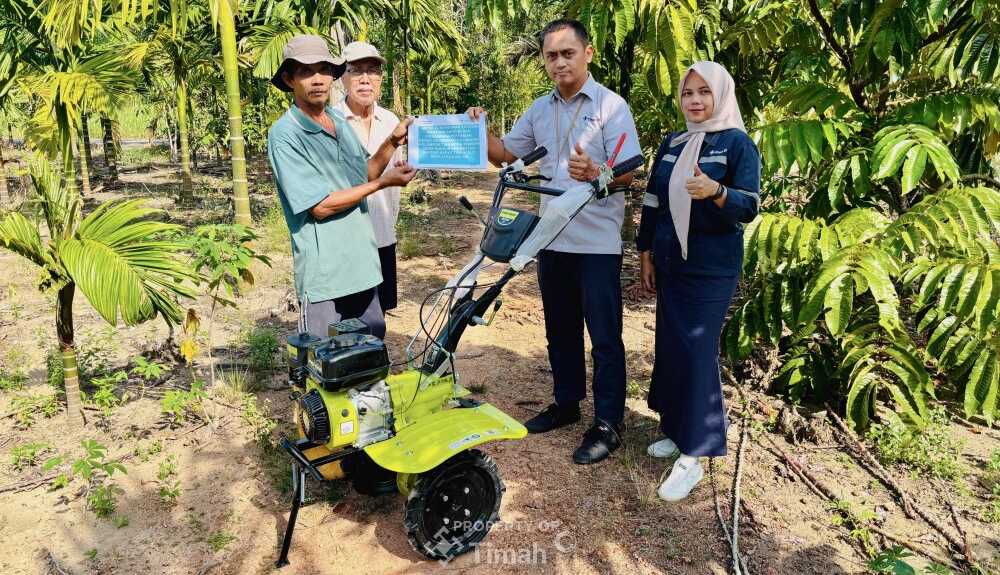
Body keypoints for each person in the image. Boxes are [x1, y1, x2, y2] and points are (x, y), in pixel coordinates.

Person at [467, 18, 641, 465]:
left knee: (604, 337)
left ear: (588, 53)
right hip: (552, 239)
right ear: (544, 61)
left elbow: (630, 168)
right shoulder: (540, 109)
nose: (559, 62)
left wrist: (598, 173)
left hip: (597, 243)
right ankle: (566, 404)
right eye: (551, 55)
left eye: (568, 53)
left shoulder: (610, 106)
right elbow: (506, 154)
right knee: (559, 329)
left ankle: (608, 423)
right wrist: (479, 130)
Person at [635, 61, 761, 501]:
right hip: (670, 262)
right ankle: (674, 427)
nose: (695, 101)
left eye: (704, 92)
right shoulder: (674, 142)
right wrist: (645, 251)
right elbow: (653, 198)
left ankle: (696, 452)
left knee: (698, 349)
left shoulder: (737, 144)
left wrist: (718, 192)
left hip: (711, 269)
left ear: (720, 95)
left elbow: (750, 205)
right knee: (671, 346)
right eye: (688, 93)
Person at [267, 35, 416, 339]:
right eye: (306, 72)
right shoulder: (285, 134)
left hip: (363, 265)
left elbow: (363, 173)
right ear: (289, 78)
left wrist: (392, 141)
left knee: (369, 360)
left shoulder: (336, 120)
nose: (318, 79)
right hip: (327, 277)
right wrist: (382, 183)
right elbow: (320, 206)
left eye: (324, 70)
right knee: (327, 368)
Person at [333, 41, 403, 314]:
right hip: (345, 243)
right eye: (356, 70)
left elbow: (404, 165)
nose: (365, 79)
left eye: (372, 71)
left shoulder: (390, 120)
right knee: (347, 324)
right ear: (342, 77)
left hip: (383, 237)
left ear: (381, 79)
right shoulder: (331, 121)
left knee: (377, 321)